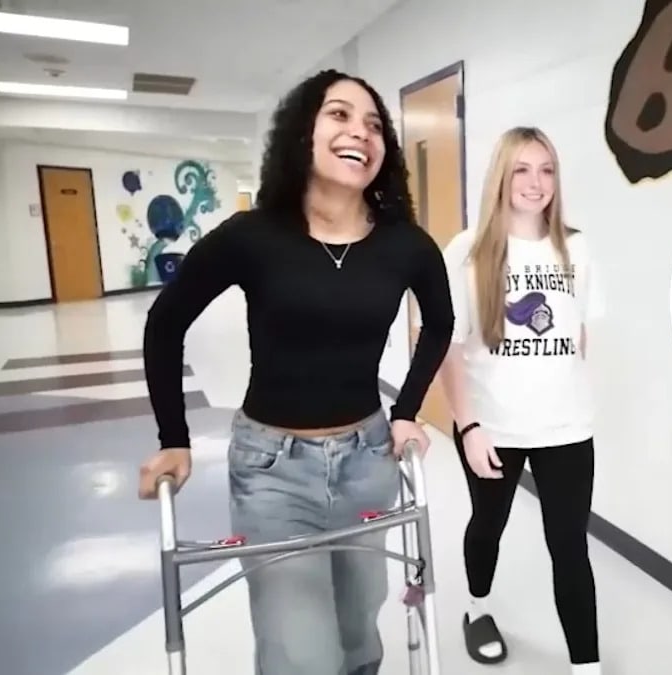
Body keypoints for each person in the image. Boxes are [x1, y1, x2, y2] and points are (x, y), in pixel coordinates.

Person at [135, 69, 454, 675]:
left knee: (359, 635)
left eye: (373, 124)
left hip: (367, 463)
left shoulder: (406, 246)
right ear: (302, 133)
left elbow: (439, 324)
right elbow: (165, 322)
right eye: (339, 114)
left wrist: (407, 411)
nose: (359, 131)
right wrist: (172, 439)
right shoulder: (253, 237)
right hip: (272, 473)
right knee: (302, 654)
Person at [437, 126, 604, 674]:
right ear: (501, 178)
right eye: (522, 170)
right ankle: (477, 609)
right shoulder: (468, 249)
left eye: (547, 170)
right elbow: (446, 346)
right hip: (494, 430)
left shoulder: (575, 246)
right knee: (488, 527)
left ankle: (587, 667)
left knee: (570, 548)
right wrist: (468, 426)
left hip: (567, 429)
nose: (536, 183)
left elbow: (580, 334)